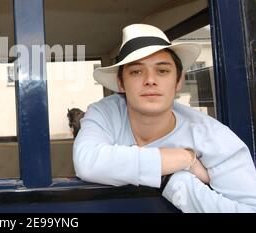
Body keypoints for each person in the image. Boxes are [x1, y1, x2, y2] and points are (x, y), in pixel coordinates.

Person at [73, 24, 256, 212]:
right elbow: (87, 162)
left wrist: (176, 182)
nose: (150, 80)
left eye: (162, 71)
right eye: (136, 72)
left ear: (178, 81)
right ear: (121, 83)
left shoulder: (212, 136)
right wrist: (185, 158)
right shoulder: (105, 113)